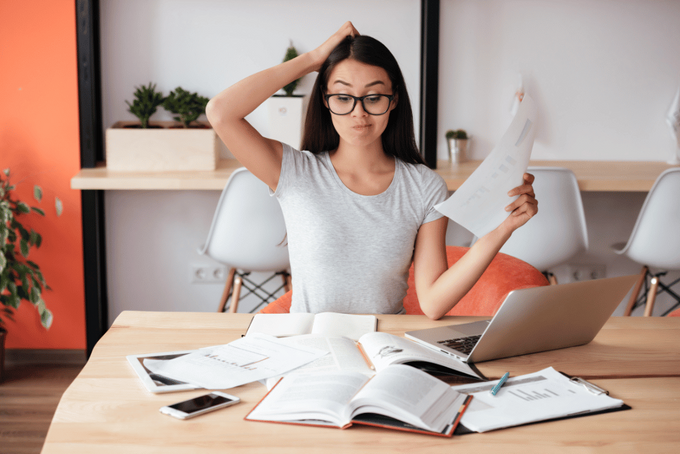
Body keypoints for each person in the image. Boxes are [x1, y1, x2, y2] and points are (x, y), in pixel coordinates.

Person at [206, 22, 538, 319]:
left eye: (374, 97)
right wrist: (312, 59)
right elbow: (221, 113)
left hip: (385, 349)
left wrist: (502, 228)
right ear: (325, 99)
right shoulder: (295, 172)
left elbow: (434, 302)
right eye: (343, 97)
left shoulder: (424, 187)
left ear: (393, 100)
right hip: (309, 349)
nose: (358, 113)